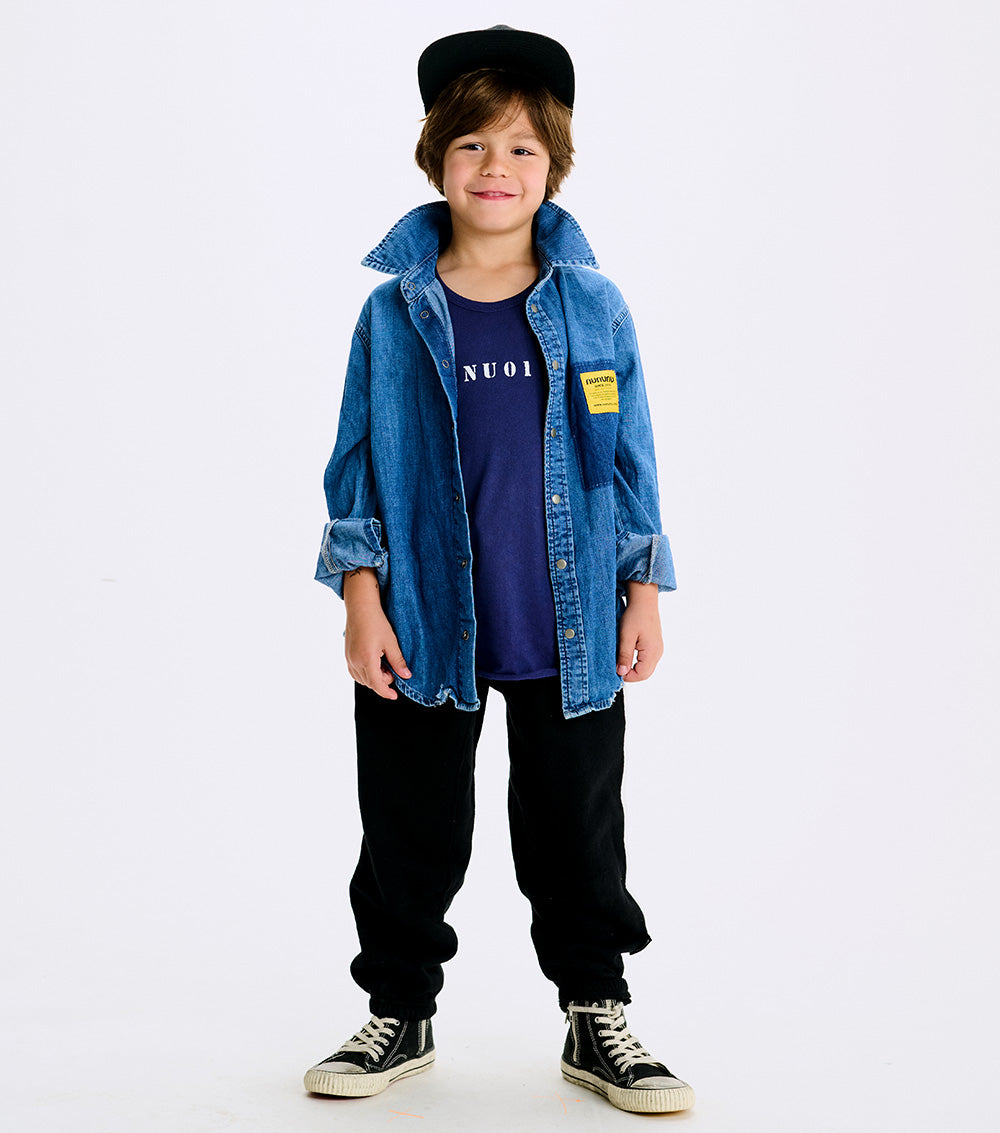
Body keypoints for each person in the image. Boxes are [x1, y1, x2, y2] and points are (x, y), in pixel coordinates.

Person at [303, 25, 694, 1115]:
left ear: (552, 166)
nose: (495, 168)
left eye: (521, 148)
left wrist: (643, 588)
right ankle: (399, 1006)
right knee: (409, 825)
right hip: (424, 617)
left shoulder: (594, 305)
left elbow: (629, 458)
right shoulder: (393, 313)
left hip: (569, 618)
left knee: (578, 828)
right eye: (471, 144)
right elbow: (354, 464)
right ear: (436, 158)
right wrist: (361, 598)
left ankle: (595, 1009)